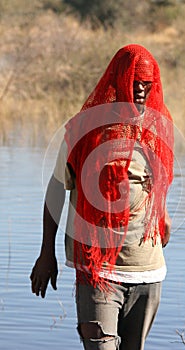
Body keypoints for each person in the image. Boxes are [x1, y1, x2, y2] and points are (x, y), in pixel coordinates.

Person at [30, 44, 174, 350]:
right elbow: (57, 190)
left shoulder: (157, 130)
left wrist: (163, 216)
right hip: (99, 271)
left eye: (146, 85)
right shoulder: (83, 130)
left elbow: (156, 185)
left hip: (148, 270)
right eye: (134, 82)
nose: (140, 91)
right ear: (117, 78)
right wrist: (46, 253)